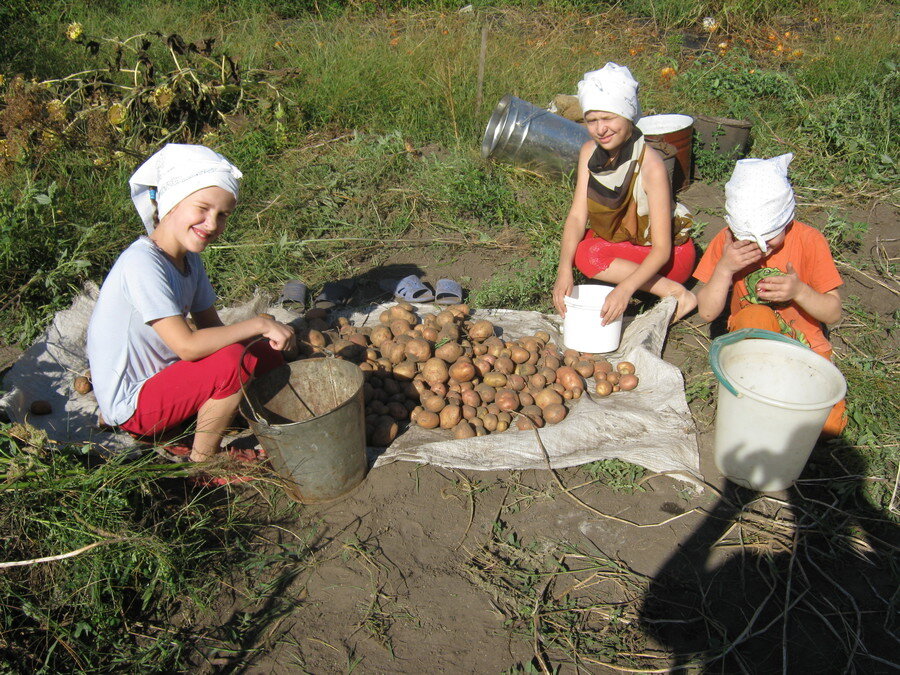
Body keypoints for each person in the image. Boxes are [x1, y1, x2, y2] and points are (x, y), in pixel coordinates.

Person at [87, 144, 297, 470]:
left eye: (223, 214)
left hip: (167, 382)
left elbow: (212, 329)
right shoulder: (142, 263)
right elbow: (187, 347)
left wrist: (260, 336)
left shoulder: (189, 260)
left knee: (259, 350)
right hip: (135, 407)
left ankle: (277, 421)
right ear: (171, 202)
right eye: (202, 208)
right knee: (233, 360)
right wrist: (257, 323)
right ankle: (204, 463)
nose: (212, 224)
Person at [693, 153, 846, 435]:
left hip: (804, 346)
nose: (761, 249)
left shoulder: (809, 241)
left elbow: (833, 313)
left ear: (787, 219)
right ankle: (762, 396)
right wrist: (725, 268)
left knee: (828, 429)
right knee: (756, 313)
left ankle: (782, 404)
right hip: (753, 342)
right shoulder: (726, 243)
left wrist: (799, 290)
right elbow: (706, 312)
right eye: (748, 241)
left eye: (769, 239)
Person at [552, 63, 698, 325]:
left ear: (628, 117)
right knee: (579, 244)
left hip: (672, 260)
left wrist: (625, 289)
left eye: (609, 118)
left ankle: (678, 295)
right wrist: (564, 270)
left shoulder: (651, 166)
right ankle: (641, 283)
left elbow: (663, 249)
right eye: (592, 120)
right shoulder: (589, 152)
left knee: (588, 254)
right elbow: (576, 216)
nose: (600, 129)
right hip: (636, 246)